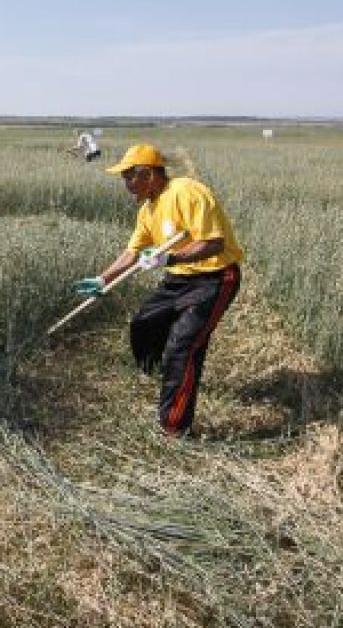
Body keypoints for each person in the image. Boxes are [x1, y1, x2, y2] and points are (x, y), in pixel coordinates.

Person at [74, 143, 244, 437]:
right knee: (143, 325)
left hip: (214, 278)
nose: (126, 184)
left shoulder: (186, 191)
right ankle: (166, 377)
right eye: (125, 177)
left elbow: (213, 243)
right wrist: (103, 279)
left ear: (149, 174)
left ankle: (175, 427)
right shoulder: (148, 210)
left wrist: (171, 257)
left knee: (183, 347)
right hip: (178, 279)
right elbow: (133, 253)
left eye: (130, 177)